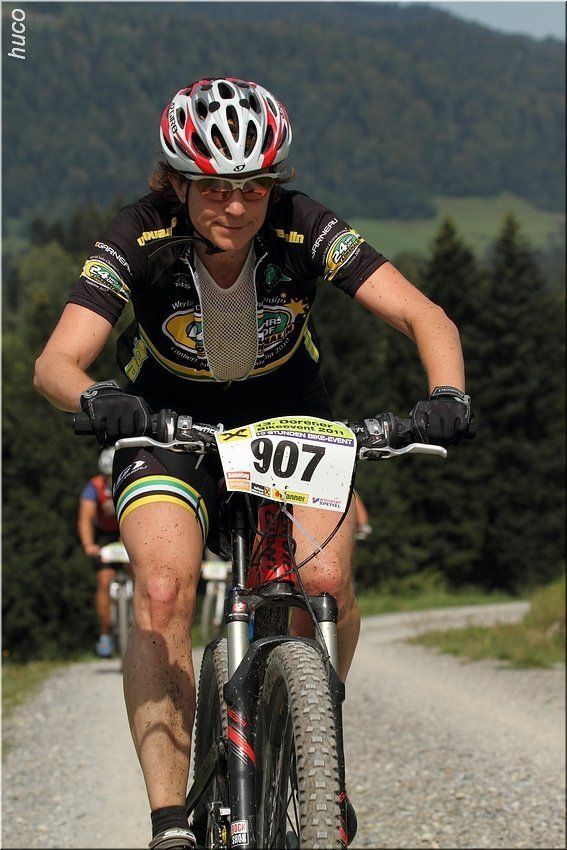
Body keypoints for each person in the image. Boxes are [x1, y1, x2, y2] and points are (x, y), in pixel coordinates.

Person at [34, 76, 473, 849]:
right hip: (165, 426)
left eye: (254, 187)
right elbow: (55, 363)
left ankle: (312, 740)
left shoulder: (304, 227)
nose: (234, 206)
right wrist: (97, 396)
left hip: (290, 421)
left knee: (325, 580)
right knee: (162, 590)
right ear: (176, 182)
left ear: (276, 184)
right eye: (212, 187)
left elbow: (422, 313)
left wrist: (446, 394)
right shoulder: (139, 233)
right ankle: (170, 822)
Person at [77, 447, 120, 657]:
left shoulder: (130, 481)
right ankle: (105, 635)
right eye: (107, 475)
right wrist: (88, 544)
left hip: (128, 532)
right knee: (104, 580)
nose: (111, 479)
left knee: (139, 574)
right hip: (105, 535)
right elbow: (85, 518)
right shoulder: (93, 487)